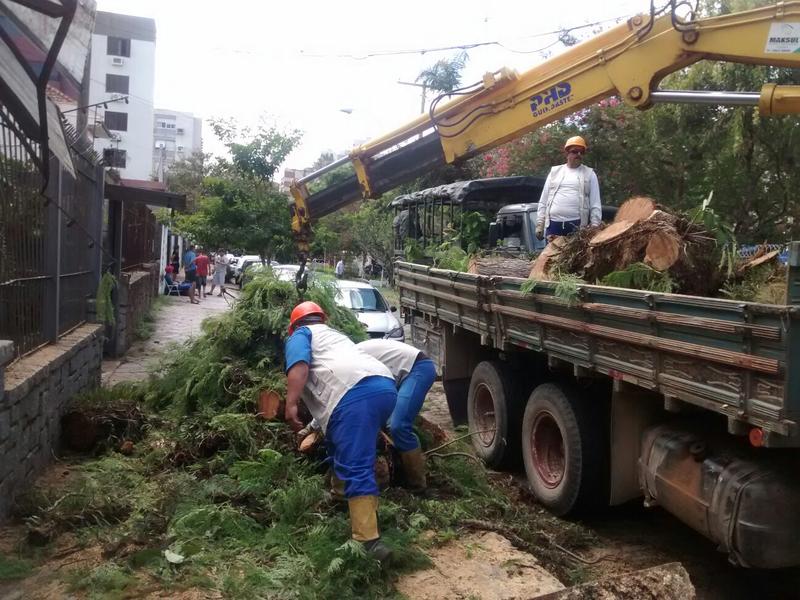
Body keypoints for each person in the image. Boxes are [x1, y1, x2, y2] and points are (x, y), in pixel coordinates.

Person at [284, 301, 397, 561]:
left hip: (353, 394)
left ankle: (369, 542)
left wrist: (290, 403)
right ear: (322, 318)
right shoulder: (336, 336)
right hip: (384, 386)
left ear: (295, 325)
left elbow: (299, 365)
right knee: (338, 443)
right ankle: (339, 495)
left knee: (357, 462)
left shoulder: (302, 335)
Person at [357, 339, 436, 492]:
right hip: (398, 374)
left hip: (417, 369)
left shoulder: (351, 360)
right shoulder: (348, 358)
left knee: (398, 426)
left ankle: (418, 486)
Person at [535, 136, 601, 241]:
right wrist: (540, 223)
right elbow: (544, 200)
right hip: (553, 226)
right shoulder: (554, 172)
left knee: (575, 257)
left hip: (577, 226)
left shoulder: (589, 174)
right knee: (551, 257)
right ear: (567, 153)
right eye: (575, 151)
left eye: (581, 152)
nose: (578, 155)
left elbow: (595, 203)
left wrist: (595, 226)